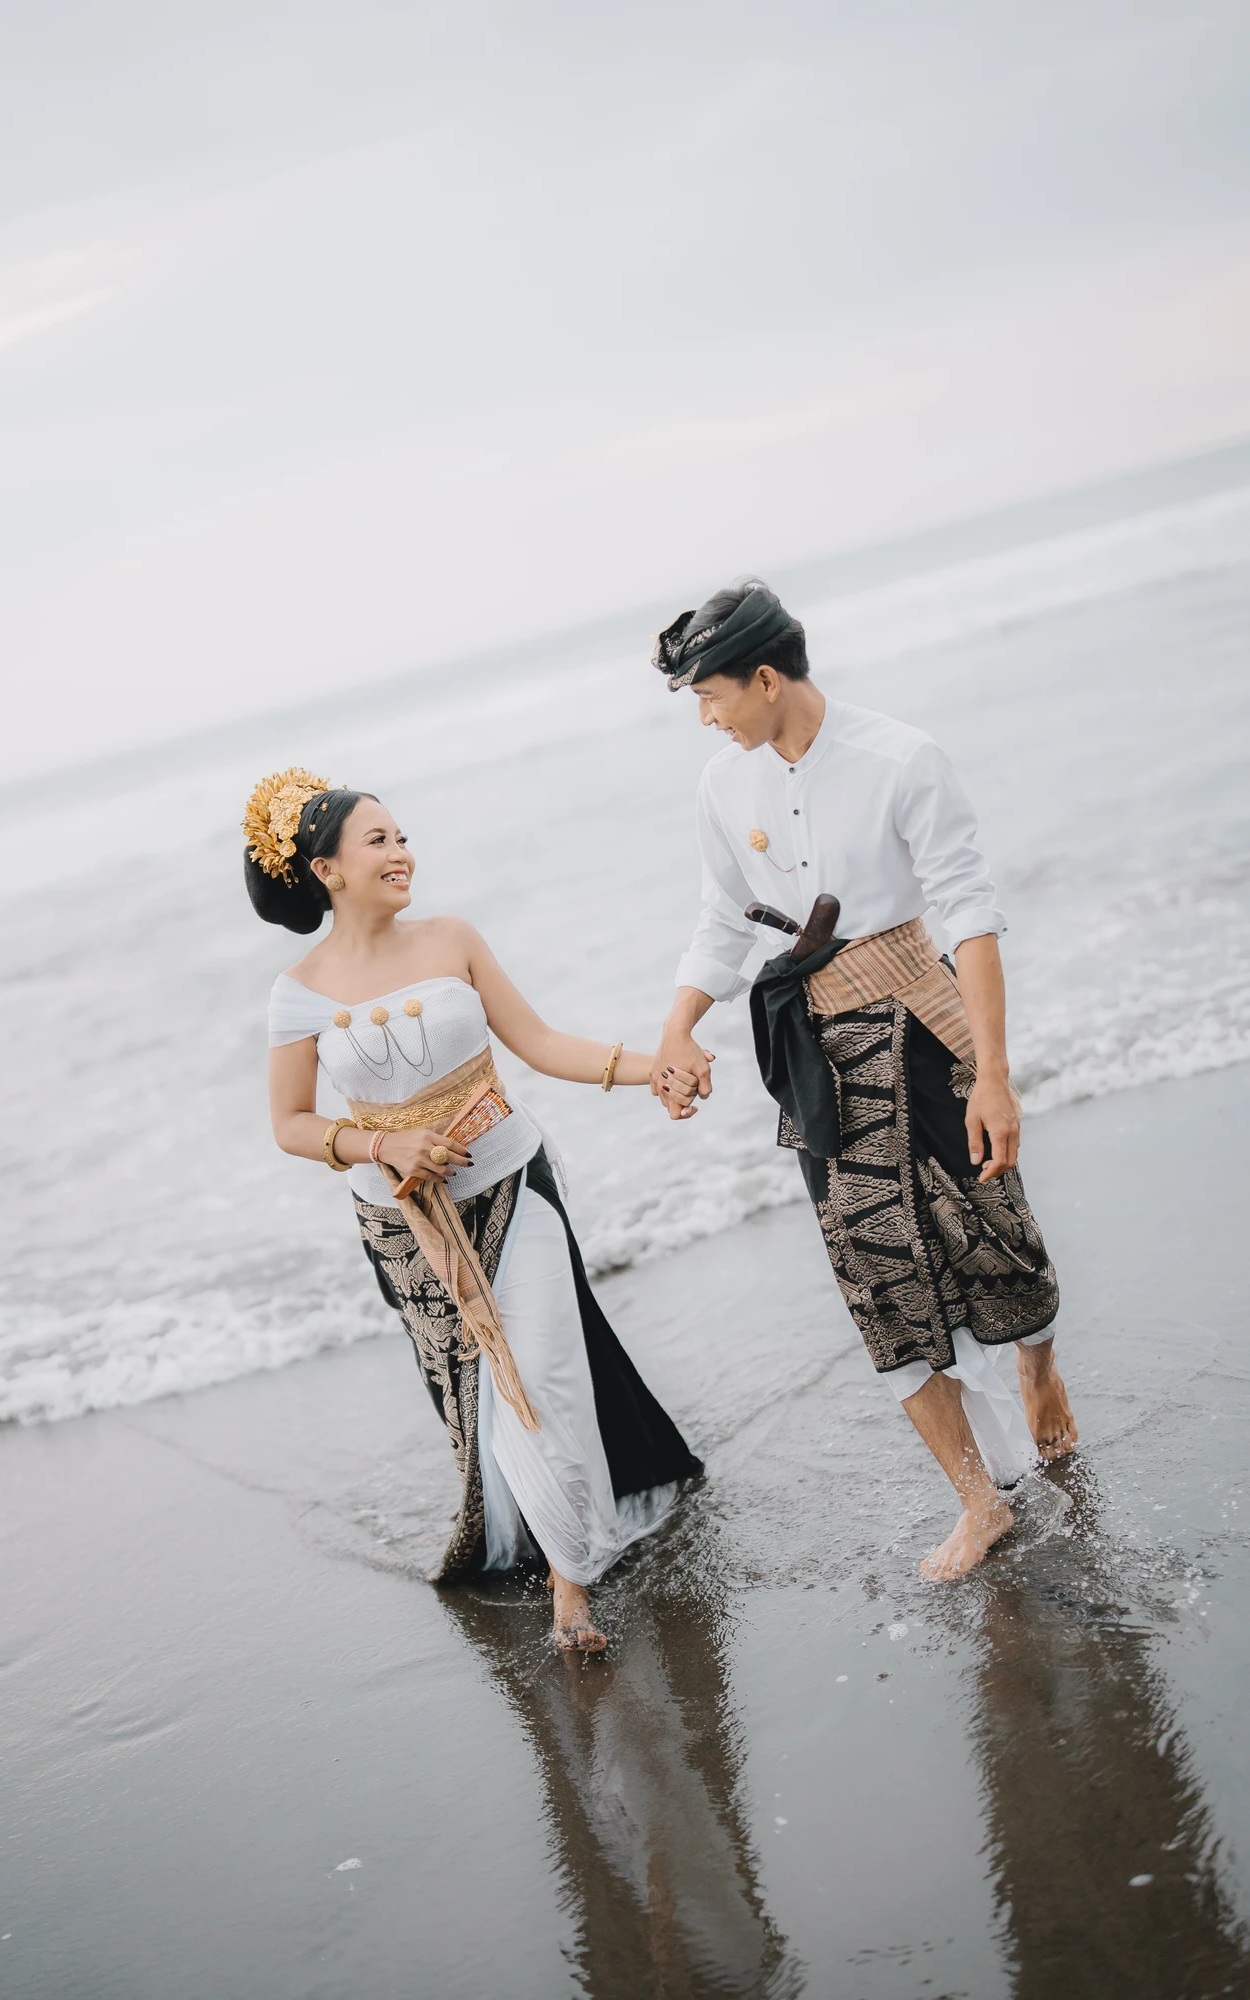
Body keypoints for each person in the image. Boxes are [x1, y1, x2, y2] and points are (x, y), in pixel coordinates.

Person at [649, 580, 1076, 1581]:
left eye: (710, 696)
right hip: (817, 1056)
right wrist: (676, 1027)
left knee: (996, 1234)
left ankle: (1039, 1367)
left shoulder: (901, 759)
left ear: (765, 678)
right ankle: (976, 1499)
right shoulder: (721, 784)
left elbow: (969, 915)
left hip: (923, 1023)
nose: (705, 719)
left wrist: (994, 1075)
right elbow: (722, 918)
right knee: (873, 1271)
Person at [243, 768, 702, 1650]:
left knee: (544, 1372)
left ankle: (571, 1589)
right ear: (326, 869)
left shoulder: (452, 938)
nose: (401, 853)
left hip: (512, 1184)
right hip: (404, 1227)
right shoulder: (296, 993)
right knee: (483, 1393)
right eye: (378, 841)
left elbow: (540, 1043)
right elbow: (290, 1124)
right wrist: (381, 1146)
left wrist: (657, 1069)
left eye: (402, 837)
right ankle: (541, 1532)